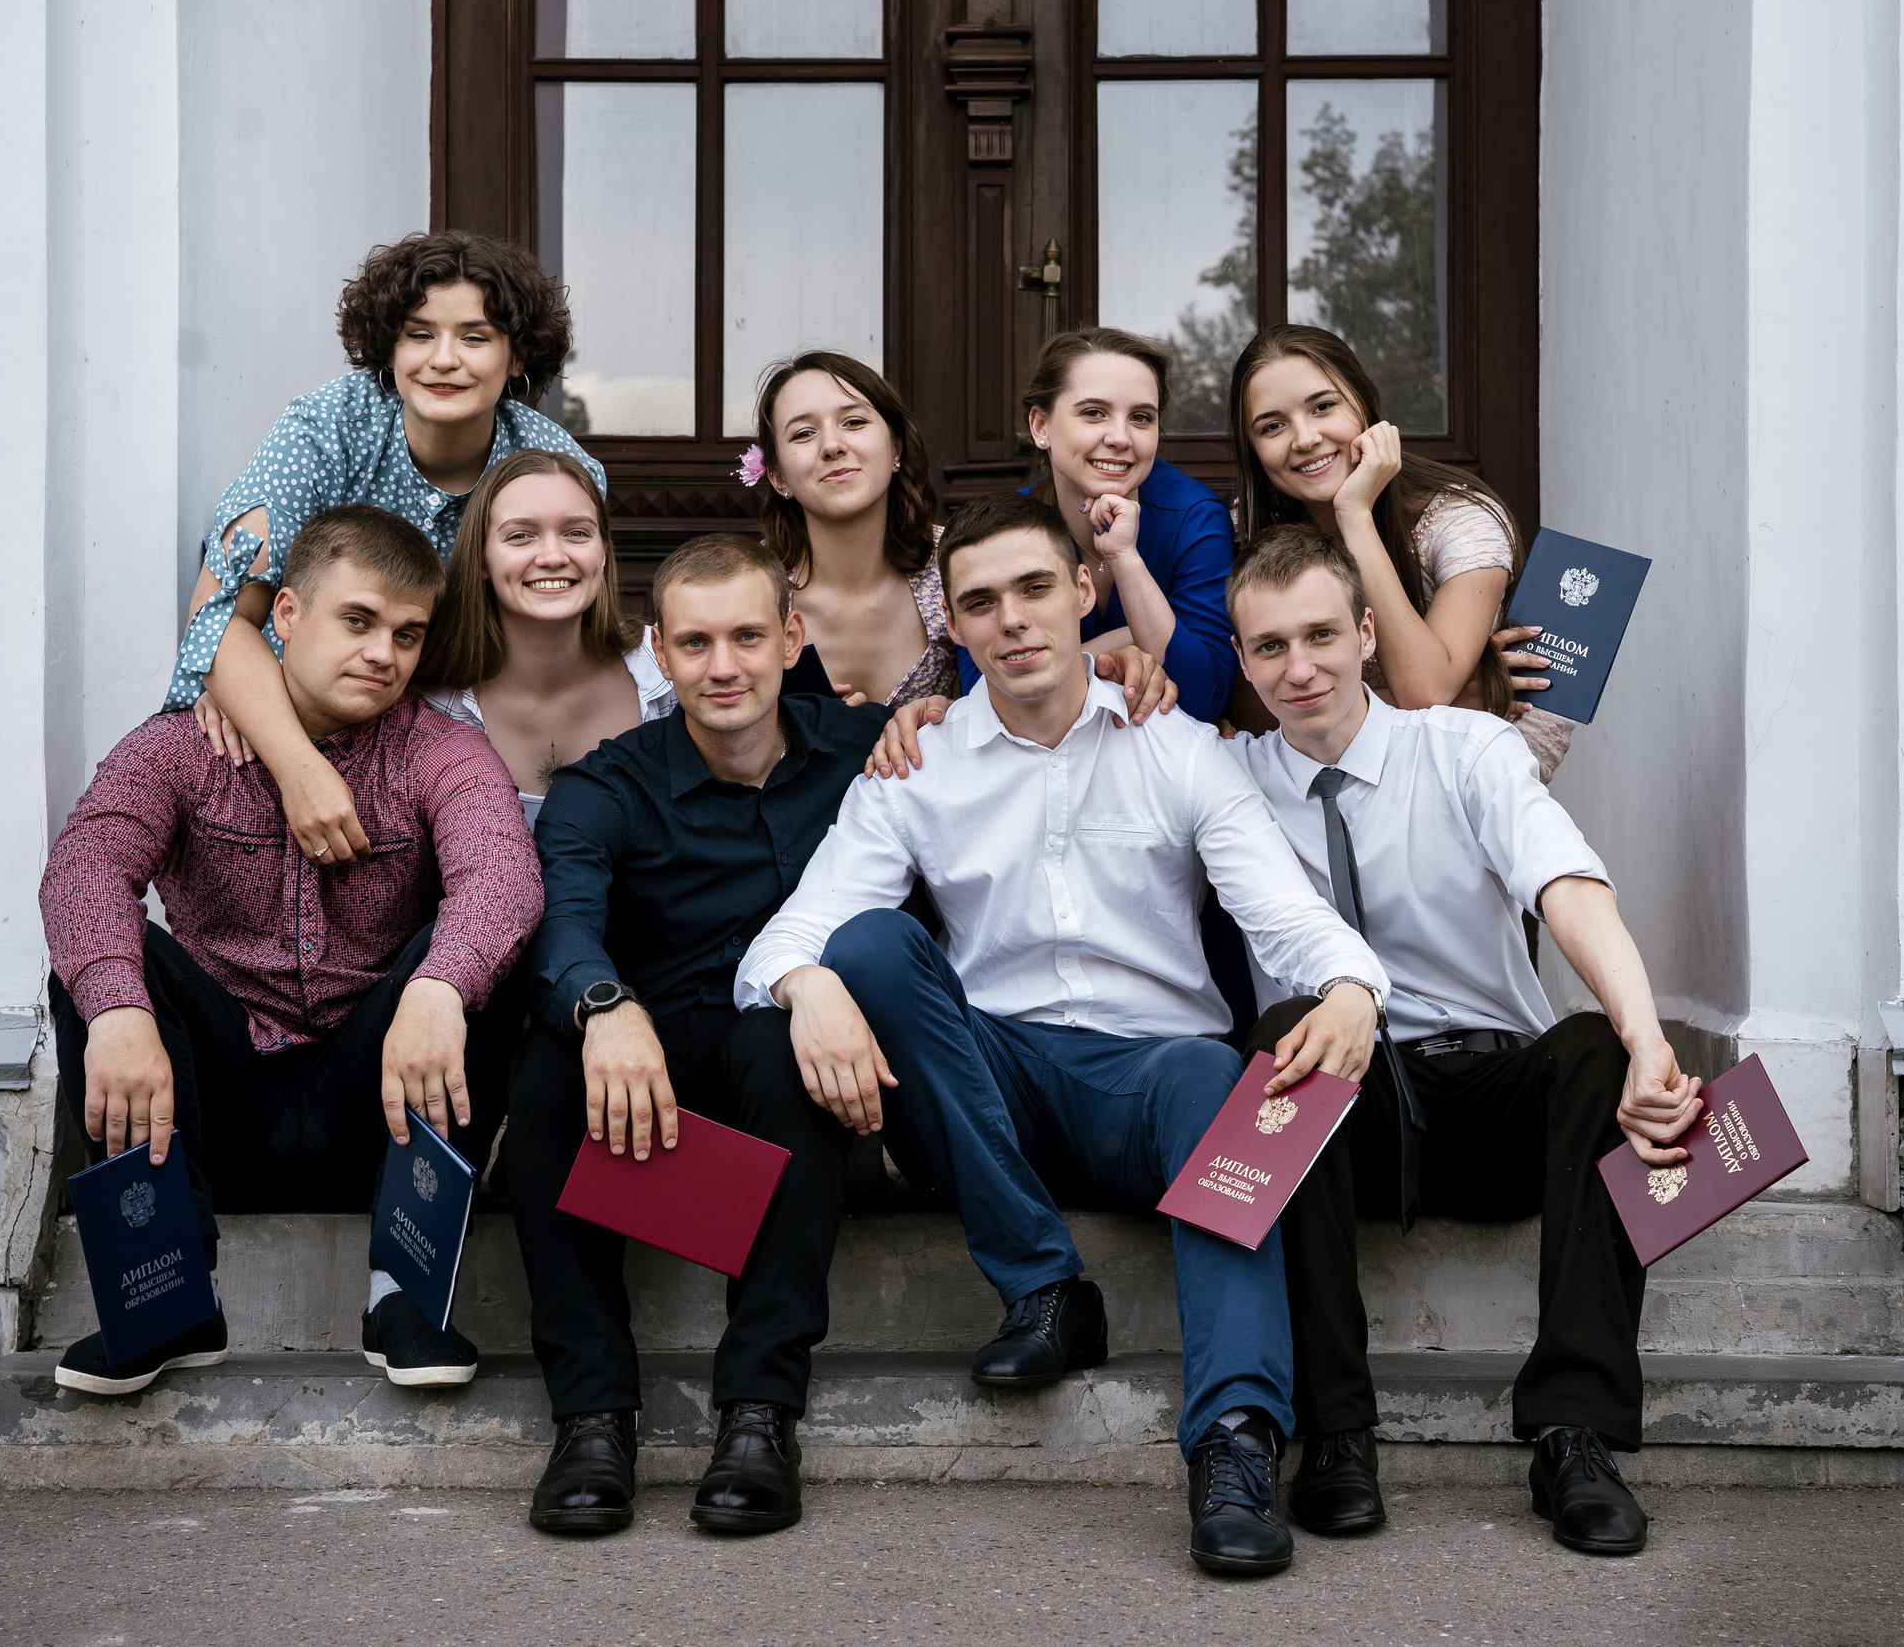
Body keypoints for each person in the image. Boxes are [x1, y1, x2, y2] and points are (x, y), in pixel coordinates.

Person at [735, 492, 1386, 1576]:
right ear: (955, 627)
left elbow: (1285, 912)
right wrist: (809, 986)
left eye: (1035, 587)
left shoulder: (1174, 745)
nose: (1013, 619)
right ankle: (1045, 1284)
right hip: (993, 1093)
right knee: (866, 950)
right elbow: (787, 937)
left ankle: (1232, 1441)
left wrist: (1352, 989)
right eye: (980, 601)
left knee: (1215, 1080)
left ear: (1085, 593)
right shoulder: (917, 766)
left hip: (1153, 1088)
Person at [508, 533, 1175, 1540]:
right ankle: (593, 1419)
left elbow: (993, 746)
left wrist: (1108, 662)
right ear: (660, 653)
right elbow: (562, 921)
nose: (722, 666)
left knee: (785, 1045)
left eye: (744, 636)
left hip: (801, 1080)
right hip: (651, 1074)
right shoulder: (608, 784)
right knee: (550, 1064)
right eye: (693, 644)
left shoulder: (870, 750)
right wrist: (604, 1006)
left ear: (791, 636)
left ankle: (759, 1415)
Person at [1217, 525, 1703, 1554]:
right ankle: (1336, 1434)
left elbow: (1563, 882)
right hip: (1348, 1119)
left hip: (1491, 1107)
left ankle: (1576, 1434)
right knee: (1278, 1036)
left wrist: (1646, 1031)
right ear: (1242, 659)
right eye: (1267, 648)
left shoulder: (1462, 746)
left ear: (1361, 632)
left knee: (1596, 1049)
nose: (1297, 669)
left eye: (1318, 635)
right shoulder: (1225, 781)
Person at [39, 506, 543, 1396]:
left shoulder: (442, 751)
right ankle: (163, 1299)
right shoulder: (180, 746)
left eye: (407, 633)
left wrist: (438, 989)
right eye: (358, 621)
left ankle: (408, 1297)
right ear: (287, 615)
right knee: (115, 967)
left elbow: (503, 873)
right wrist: (116, 1009)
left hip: (377, 1107)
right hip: (218, 1107)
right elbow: (86, 864)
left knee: (471, 963)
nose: (384, 652)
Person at [174, 230, 609, 859]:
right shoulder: (322, 432)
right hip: (278, 724)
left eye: (475, 337)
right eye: (419, 333)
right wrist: (297, 763)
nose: (443, 358)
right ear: (389, 345)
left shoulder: (555, 469)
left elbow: (557, 641)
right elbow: (218, 620)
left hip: (438, 750)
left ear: (517, 358)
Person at [1229, 323, 1571, 780]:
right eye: (1273, 426)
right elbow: (1250, 705)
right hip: (1324, 771)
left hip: (1469, 768)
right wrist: (1444, 695)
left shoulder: (1461, 517)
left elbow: (1422, 691)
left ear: (1366, 406)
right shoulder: (1243, 530)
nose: (1305, 438)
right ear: (1252, 449)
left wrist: (1354, 513)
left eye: (1324, 406)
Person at [950, 327, 1237, 722]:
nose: (1120, 437)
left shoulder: (1194, 517)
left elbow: (1204, 697)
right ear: (1040, 427)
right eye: (1093, 413)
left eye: (1140, 418)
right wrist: (1129, 642)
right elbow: (987, 690)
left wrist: (1125, 557)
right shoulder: (1002, 532)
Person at [414, 447, 674, 823]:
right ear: (483, 559)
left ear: (603, 553)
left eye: (577, 533)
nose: (552, 556)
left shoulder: (669, 673)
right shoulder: (429, 701)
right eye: (521, 536)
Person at [747, 351, 958, 708]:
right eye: (803, 433)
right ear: (778, 475)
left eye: (854, 422)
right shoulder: (749, 588)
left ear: (896, 447)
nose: (832, 446)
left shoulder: (957, 566)